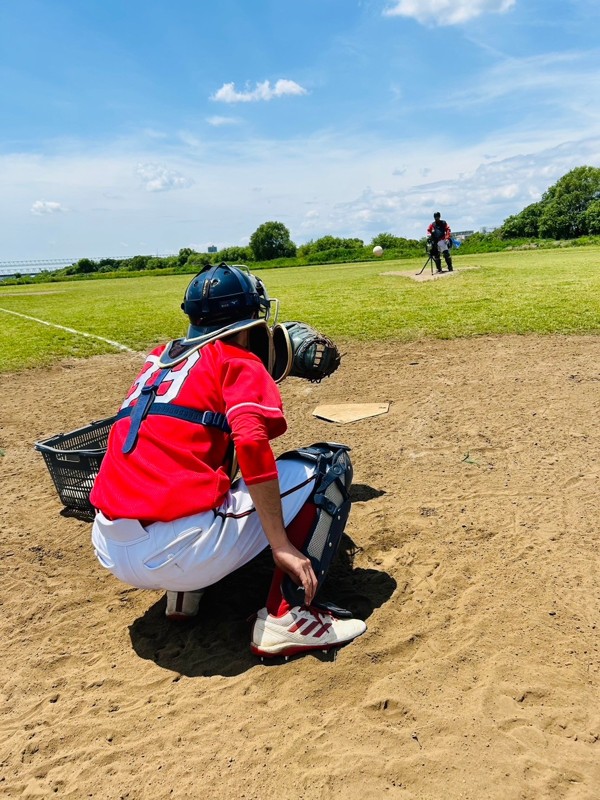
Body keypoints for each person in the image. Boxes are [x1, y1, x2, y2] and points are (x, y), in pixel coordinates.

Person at [90, 263, 366, 659]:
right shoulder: (238, 360)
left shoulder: (156, 359)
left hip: (110, 543)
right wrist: (281, 543)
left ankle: (183, 595)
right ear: (253, 311)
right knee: (328, 465)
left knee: (207, 457)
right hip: (179, 548)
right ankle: (290, 616)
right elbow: (253, 443)